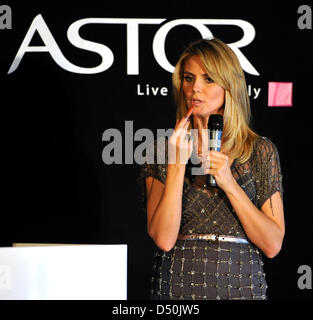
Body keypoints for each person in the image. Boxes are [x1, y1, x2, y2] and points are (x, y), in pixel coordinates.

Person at [138, 38, 285, 300]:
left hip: (242, 289)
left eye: (208, 79)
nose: (195, 88)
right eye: (188, 78)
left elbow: (273, 245)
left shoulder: (259, 151)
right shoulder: (161, 150)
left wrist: (229, 183)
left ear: (229, 86)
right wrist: (176, 165)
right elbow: (163, 238)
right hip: (177, 291)